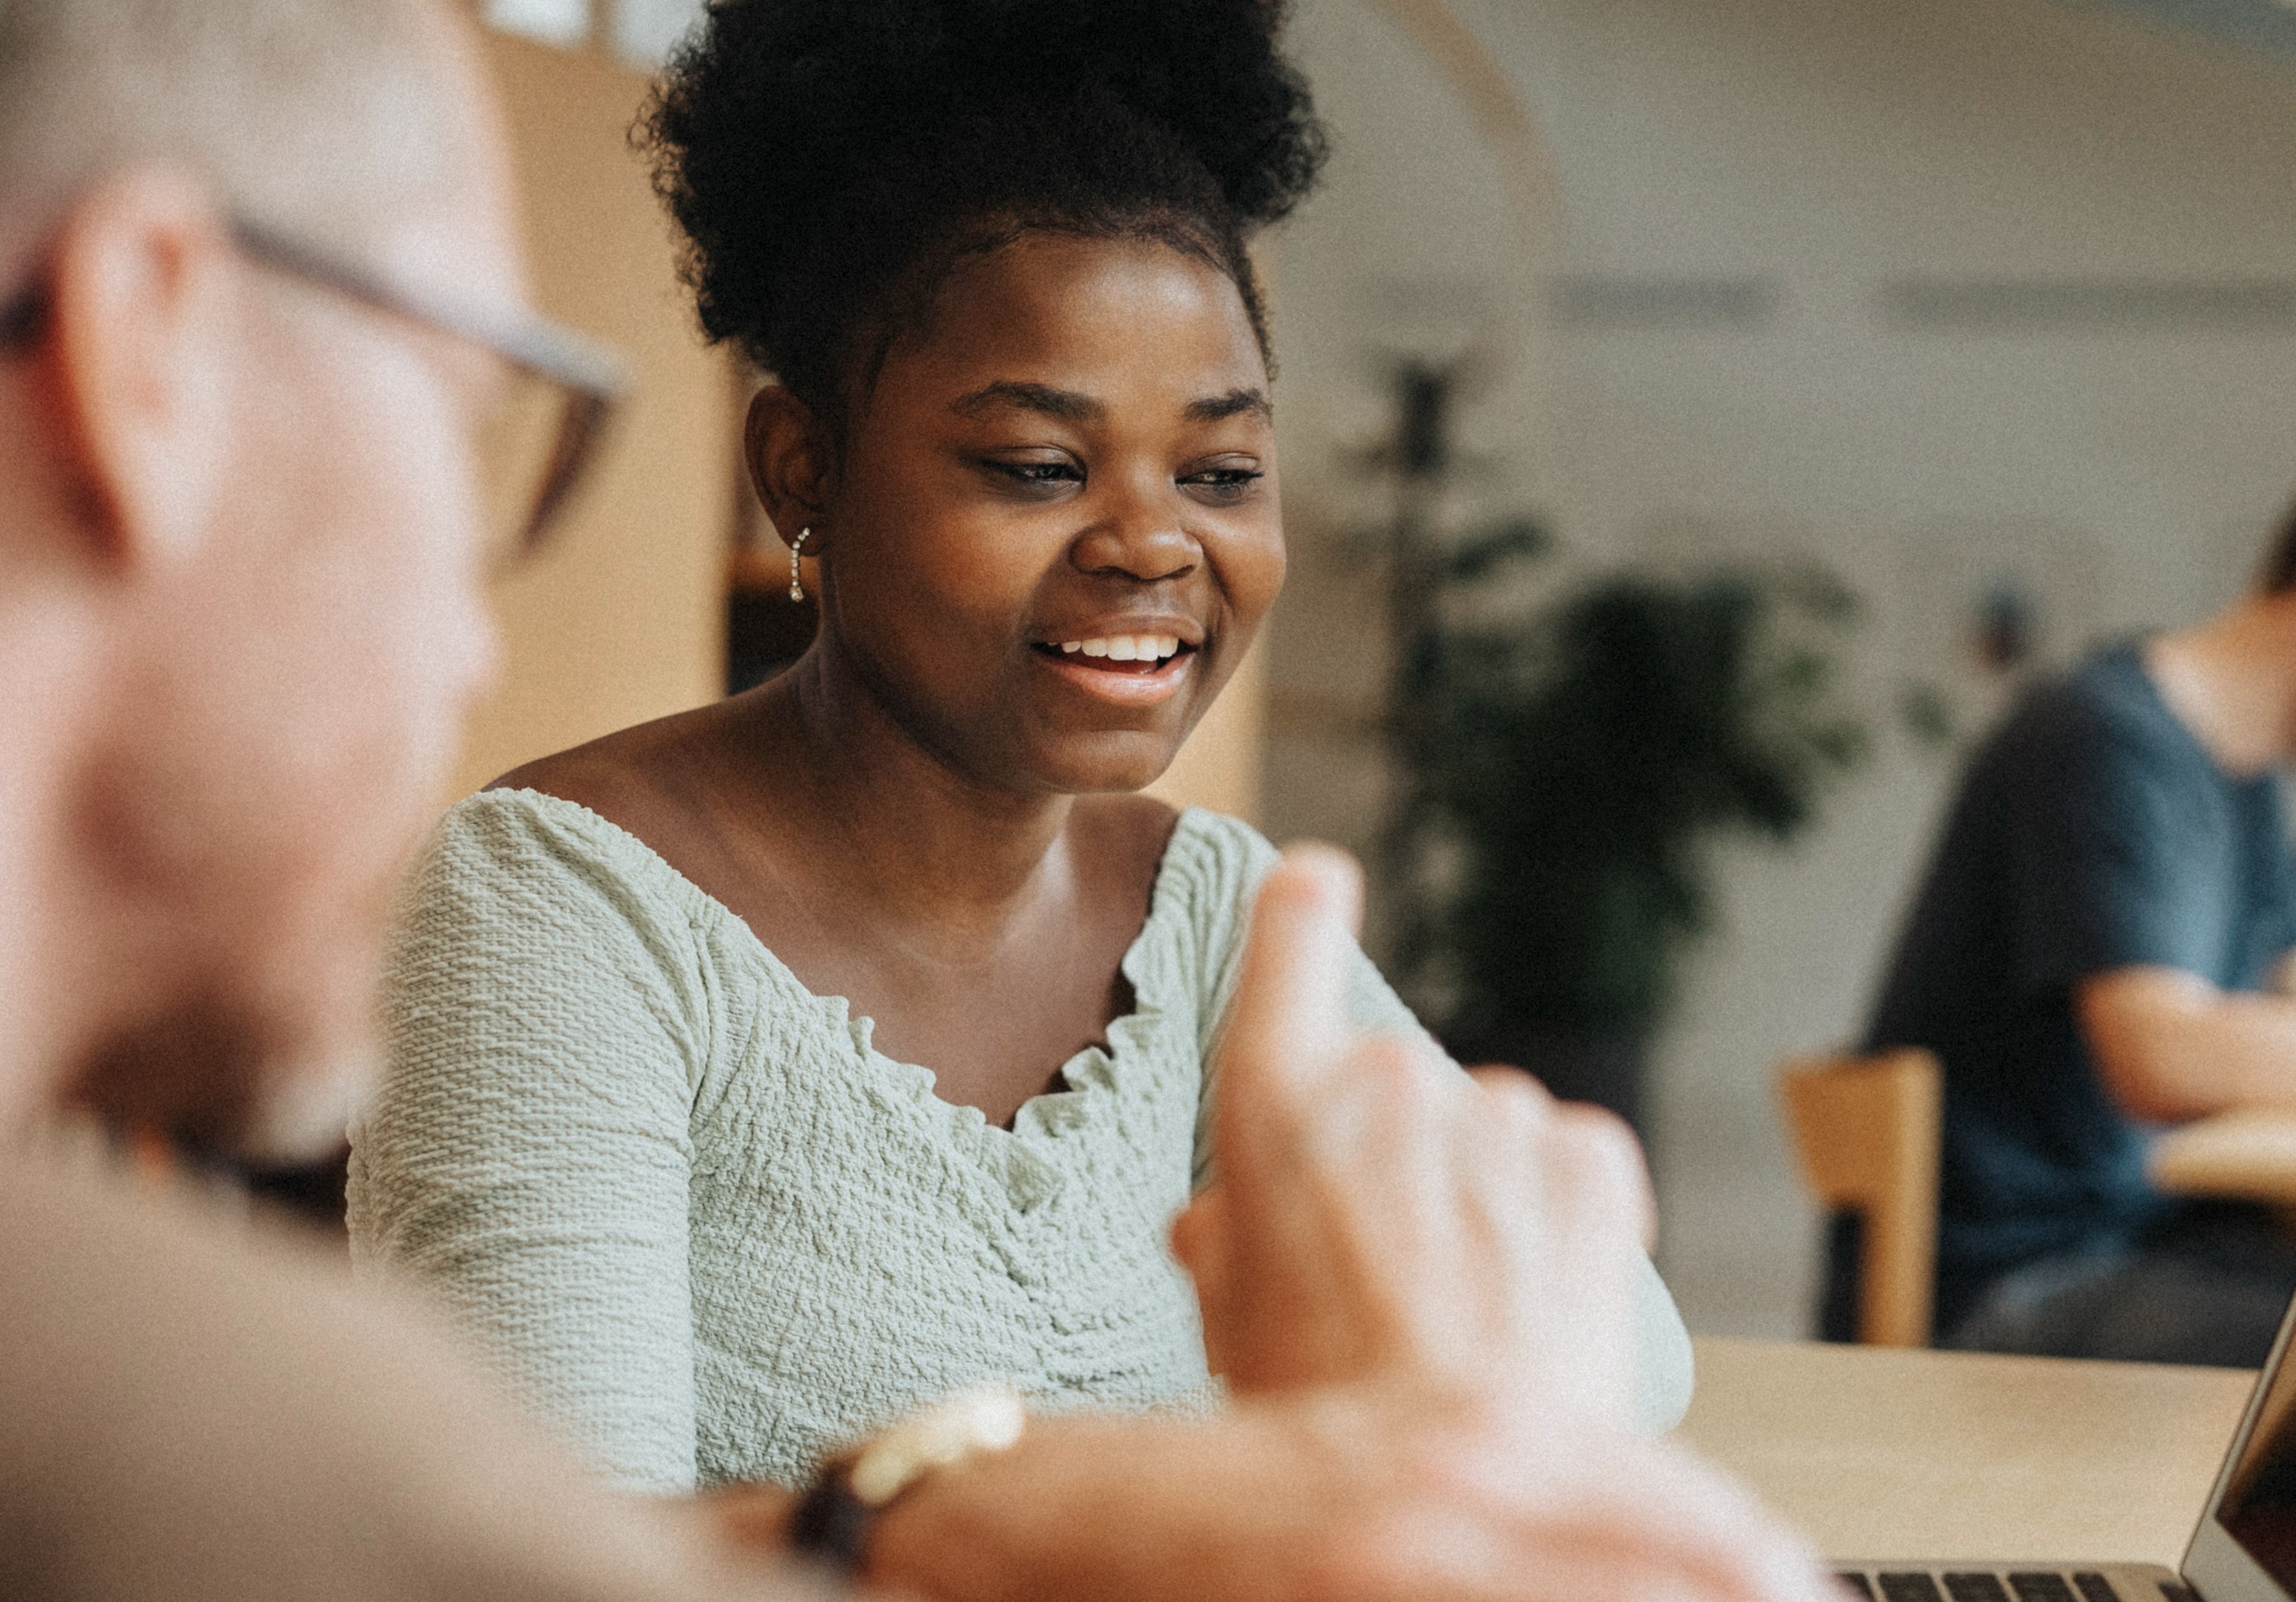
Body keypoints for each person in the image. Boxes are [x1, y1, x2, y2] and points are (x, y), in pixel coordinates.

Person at [0, 2, 1825, 1598]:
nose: (481, 627)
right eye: (490, 410)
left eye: (1221, 458)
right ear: (148, 356)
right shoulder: (74, 1419)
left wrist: (937, 1506)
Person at [345, 0, 1690, 1496]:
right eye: (1037, 466)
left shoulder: (1213, 917)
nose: (1150, 542)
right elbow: (551, 1556)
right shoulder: (560, 910)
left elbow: (1620, 1351)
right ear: (802, 468)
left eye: (1222, 468)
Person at [1849, 458, 2296, 1365]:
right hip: (2016, 1283)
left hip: (2145, 1249)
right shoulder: (2101, 742)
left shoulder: (2240, 780)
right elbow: (2163, 1054)